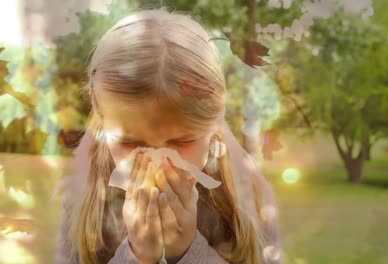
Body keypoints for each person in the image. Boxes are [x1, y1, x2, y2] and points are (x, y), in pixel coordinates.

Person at [53, 8, 283, 264]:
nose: (157, 160)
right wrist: (137, 255)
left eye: (182, 141)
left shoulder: (249, 196)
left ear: (213, 126)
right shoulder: (83, 196)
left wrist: (186, 251)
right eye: (129, 142)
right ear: (103, 125)